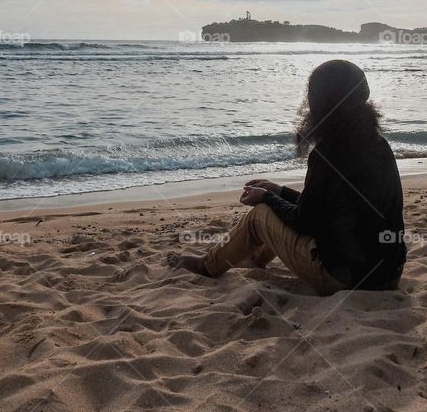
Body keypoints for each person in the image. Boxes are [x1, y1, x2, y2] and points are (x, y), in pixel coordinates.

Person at [171, 60, 406, 295]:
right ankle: (255, 259)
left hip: (342, 280)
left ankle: (207, 266)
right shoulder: (380, 146)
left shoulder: (328, 154)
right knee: (277, 207)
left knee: (259, 216)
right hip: (389, 275)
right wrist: (279, 191)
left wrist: (266, 197)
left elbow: (305, 222)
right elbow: (323, 211)